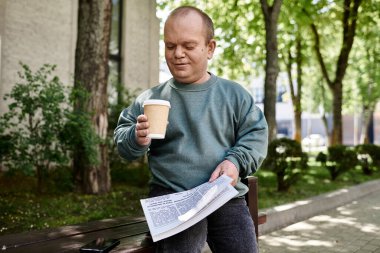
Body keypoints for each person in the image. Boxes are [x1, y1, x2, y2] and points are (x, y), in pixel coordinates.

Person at [114, 5, 268, 253]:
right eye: (170, 46)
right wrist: (136, 137)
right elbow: (123, 142)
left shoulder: (234, 95)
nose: (178, 54)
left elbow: (256, 135)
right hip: (172, 196)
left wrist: (236, 162)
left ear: (210, 48)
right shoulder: (151, 98)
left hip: (223, 193)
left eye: (188, 46)